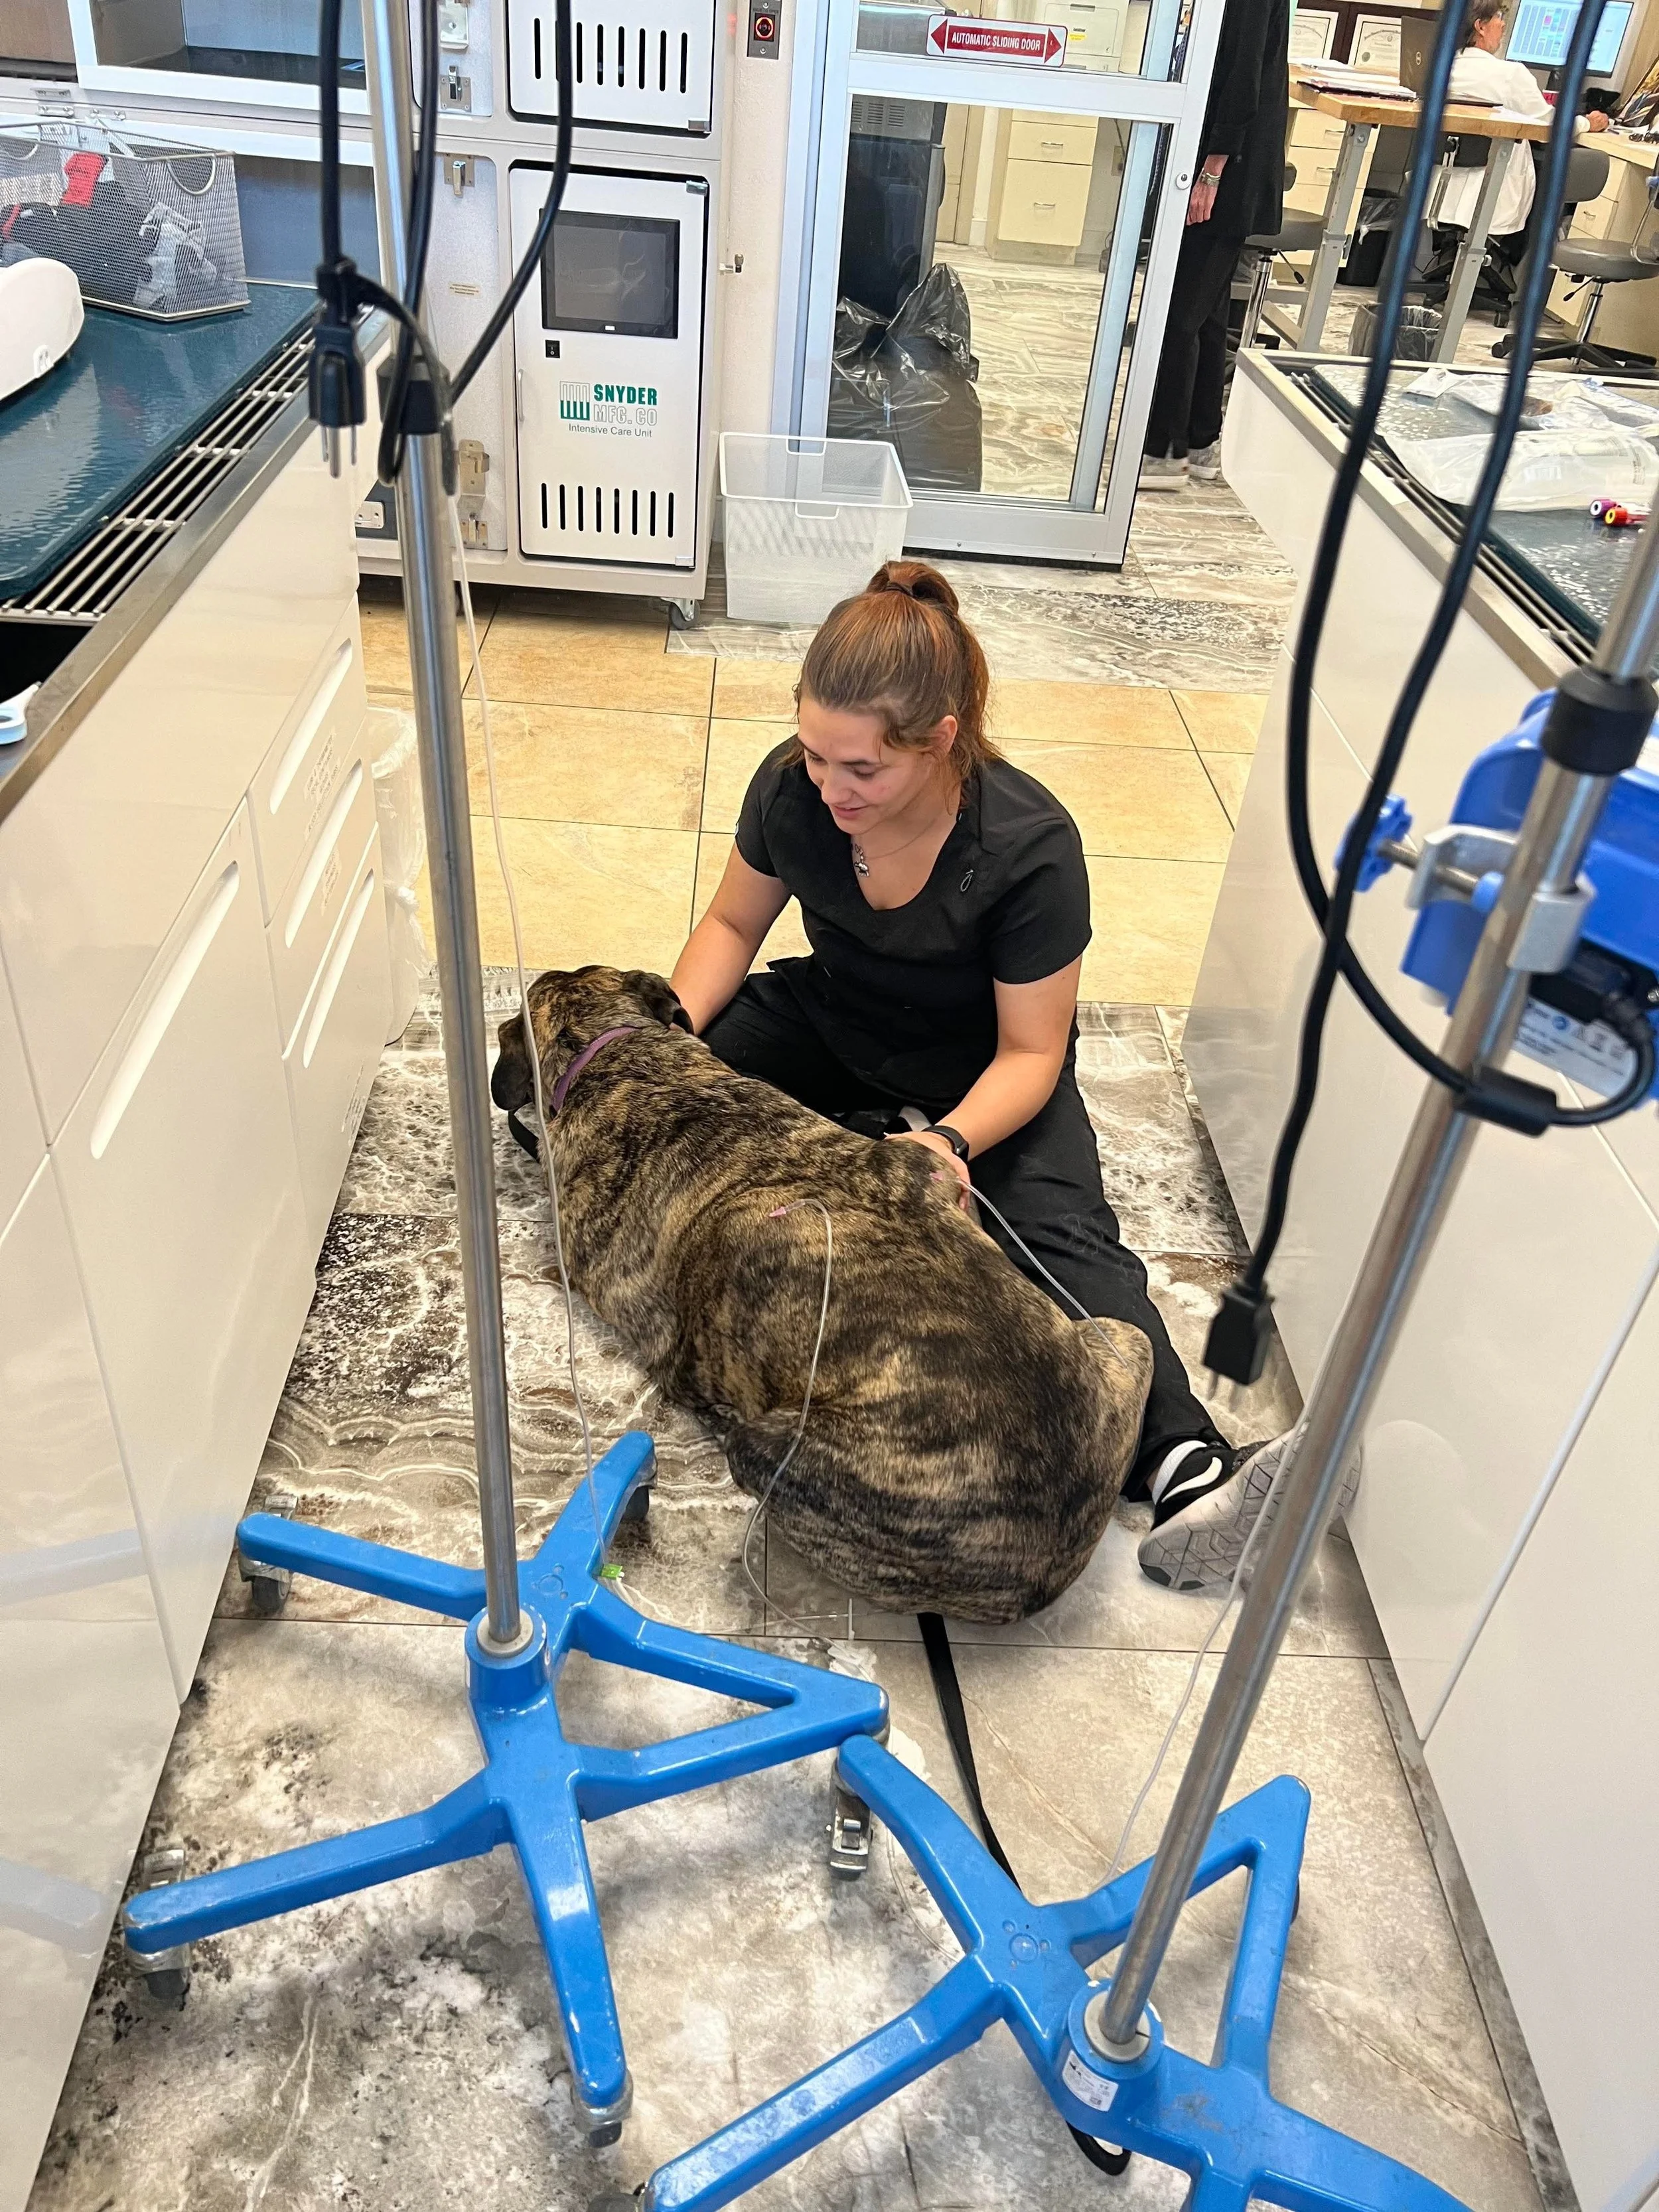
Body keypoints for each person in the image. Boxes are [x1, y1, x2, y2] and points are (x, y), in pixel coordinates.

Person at [670, 560, 1319, 1591]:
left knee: (1059, 1237)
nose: (830, 788)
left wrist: (951, 1142)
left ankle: (1190, 1471)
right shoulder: (793, 788)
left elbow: (1031, 1052)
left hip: (986, 1069)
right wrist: (669, 1039)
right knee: (651, 1100)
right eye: (813, 754)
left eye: (861, 772)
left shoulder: (1030, 846)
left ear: (940, 741)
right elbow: (732, 925)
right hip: (836, 1017)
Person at [1139, 0, 1292, 493]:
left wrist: (1211, 169)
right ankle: (1202, 443)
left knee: (1180, 312)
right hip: (1225, 165)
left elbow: (1244, 77)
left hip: (1224, 172)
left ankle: (1166, 451)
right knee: (1206, 314)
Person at [1438, 0, 1607, 245]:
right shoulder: (1509, 74)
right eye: (1498, 17)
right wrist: (1587, 122)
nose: (1504, 24)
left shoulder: (1441, 67)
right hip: (1489, 194)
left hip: (1439, 190)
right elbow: (1549, 128)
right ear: (1481, 27)